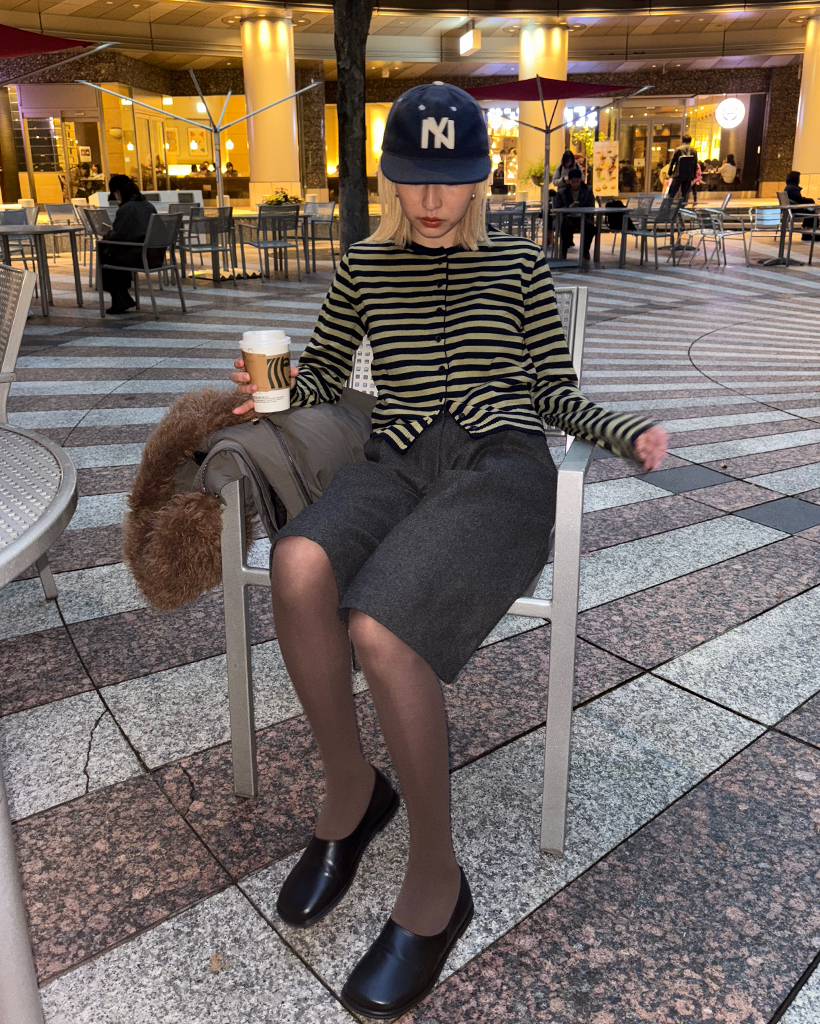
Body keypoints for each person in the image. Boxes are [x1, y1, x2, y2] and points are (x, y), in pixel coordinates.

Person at [230, 81, 668, 1020]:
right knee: (297, 565)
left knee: (380, 626)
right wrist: (270, 389)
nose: (433, 201)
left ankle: (437, 880)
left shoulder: (517, 268)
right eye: (416, 180)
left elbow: (553, 392)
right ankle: (352, 794)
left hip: (500, 464)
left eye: (454, 179)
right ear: (391, 177)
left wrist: (621, 429)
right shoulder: (363, 266)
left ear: (480, 178)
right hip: (397, 458)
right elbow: (323, 377)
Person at [98, 174, 163, 314]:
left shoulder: (126, 209)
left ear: (117, 192)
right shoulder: (148, 205)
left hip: (139, 257)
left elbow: (119, 236)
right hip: (155, 255)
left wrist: (107, 235)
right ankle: (124, 295)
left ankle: (118, 297)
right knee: (114, 253)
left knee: (104, 251)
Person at [554, 166, 596, 262]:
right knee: (566, 227)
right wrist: (567, 208)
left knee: (591, 228)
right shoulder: (562, 192)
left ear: (580, 180)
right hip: (568, 217)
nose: (576, 184)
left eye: (578, 181)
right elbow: (557, 207)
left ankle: (585, 250)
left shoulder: (587, 190)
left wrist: (587, 216)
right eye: (573, 182)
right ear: (569, 181)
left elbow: (591, 205)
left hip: (583, 217)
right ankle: (564, 250)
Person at [785, 170, 818, 240]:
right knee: (812, 213)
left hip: (791, 209)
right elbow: (799, 199)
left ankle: (807, 233)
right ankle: (808, 234)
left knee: (810, 211)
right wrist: (810, 200)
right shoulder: (793, 188)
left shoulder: (788, 187)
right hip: (794, 210)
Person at [667, 134, 698, 201]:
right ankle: (682, 205)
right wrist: (693, 175)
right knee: (685, 194)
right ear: (690, 141)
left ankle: (668, 205)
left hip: (678, 174)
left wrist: (670, 173)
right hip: (688, 175)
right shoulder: (694, 151)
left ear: (682, 141)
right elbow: (695, 164)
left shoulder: (678, 150)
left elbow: (672, 162)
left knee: (671, 193)